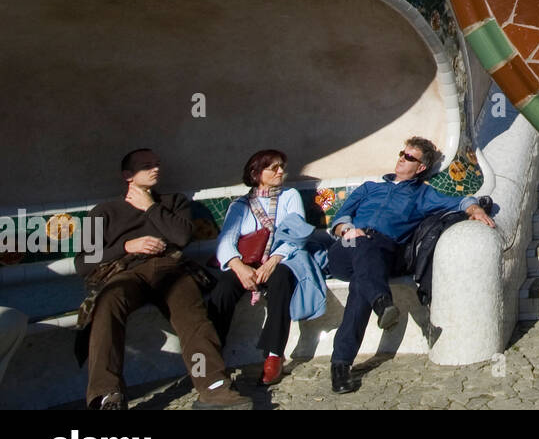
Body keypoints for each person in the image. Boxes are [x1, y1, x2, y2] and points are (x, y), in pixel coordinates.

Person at [75, 148, 250, 410]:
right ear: (128, 175)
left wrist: (151, 207)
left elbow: (181, 237)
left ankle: (214, 387)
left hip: (171, 270)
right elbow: (83, 262)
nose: (155, 168)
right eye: (146, 166)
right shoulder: (103, 212)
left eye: (156, 164)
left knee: (192, 316)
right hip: (124, 272)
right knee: (107, 305)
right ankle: (106, 395)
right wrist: (127, 246)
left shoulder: (172, 202)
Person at [326, 136, 494, 394]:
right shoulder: (369, 188)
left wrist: (475, 209)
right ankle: (381, 303)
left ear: (421, 168)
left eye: (409, 157)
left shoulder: (422, 194)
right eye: (402, 153)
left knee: (363, 282)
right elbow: (340, 219)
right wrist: (348, 230)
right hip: (346, 248)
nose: (401, 159)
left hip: (384, 252)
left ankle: (340, 364)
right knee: (362, 247)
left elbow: (460, 201)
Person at [207, 149, 325, 387]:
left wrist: (273, 261)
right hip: (246, 263)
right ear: (256, 173)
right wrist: (239, 267)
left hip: (280, 260)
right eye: (274, 168)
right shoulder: (240, 205)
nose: (281, 171)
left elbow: (295, 233)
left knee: (282, 281)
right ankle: (212, 355)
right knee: (223, 290)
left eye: (282, 166)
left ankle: (273, 355)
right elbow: (226, 241)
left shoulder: (289, 196)